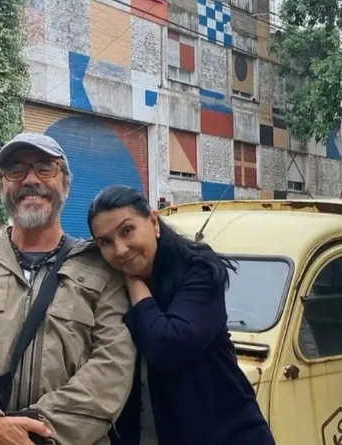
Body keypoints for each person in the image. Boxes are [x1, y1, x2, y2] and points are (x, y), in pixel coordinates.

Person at [0, 133, 137, 445]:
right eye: (15, 170)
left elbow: (112, 370)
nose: (30, 179)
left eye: (45, 168)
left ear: (65, 183)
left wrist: (32, 437)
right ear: (0, 186)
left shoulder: (99, 268)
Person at [87, 185, 276, 445]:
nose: (120, 250)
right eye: (105, 242)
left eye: (127, 231)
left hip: (226, 435)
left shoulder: (198, 270)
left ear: (153, 222)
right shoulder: (107, 288)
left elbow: (169, 346)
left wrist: (134, 282)